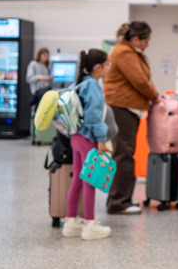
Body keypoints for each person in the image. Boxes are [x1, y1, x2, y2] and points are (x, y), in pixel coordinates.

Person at [104, 21, 159, 215]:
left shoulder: (126, 51)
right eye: (146, 41)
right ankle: (119, 202)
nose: (147, 45)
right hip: (122, 108)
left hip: (125, 108)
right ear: (135, 39)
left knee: (123, 153)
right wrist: (155, 97)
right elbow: (140, 81)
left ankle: (118, 198)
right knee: (124, 155)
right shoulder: (125, 53)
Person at [62, 49, 113, 240]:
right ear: (98, 67)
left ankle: (70, 221)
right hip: (88, 138)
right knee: (90, 180)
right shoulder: (93, 86)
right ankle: (90, 223)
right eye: (107, 65)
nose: (109, 68)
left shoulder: (80, 83)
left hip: (75, 137)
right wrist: (101, 139)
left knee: (77, 179)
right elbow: (94, 116)